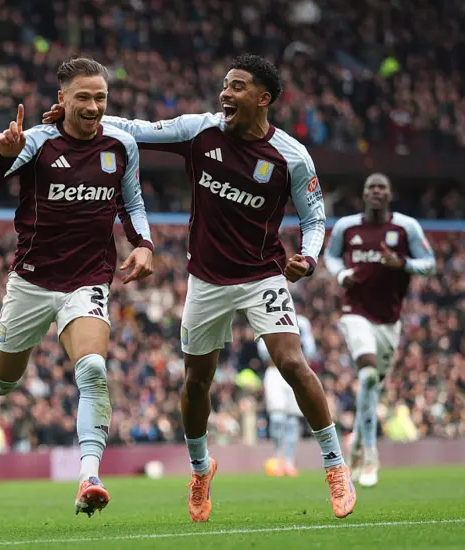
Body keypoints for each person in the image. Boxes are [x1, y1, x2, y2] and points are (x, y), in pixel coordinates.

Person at [44, 53, 356, 521]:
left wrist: (309, 257)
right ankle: (199, 469)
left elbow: (314, 219)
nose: (225, 93)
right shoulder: (199, 130)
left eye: (237, 87)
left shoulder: (291, 155)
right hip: (206, 279)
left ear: (263, 98)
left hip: (261, 275)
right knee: (196, 382)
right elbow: (138, 130)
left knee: (292, 362)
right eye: (225, 85)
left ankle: (334, 464)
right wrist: (80, 116)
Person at [0, 57, 154, 517]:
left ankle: (89, 476)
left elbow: (133, 202)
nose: (93, 106)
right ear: (62, 99)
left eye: (100, 97)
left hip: (88, 278)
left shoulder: (120, 145)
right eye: (83, 97)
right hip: (33, 280)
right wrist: (4, 154)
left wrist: (144, 244)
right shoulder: (38, 142)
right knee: (2, 381)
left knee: (93, 369)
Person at [324, 173, 435, 487]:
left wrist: (403, 264)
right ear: (363, 194)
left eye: (381, 187)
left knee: (372, 387)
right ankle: (370, 454)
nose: (376, 191)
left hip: (389, 319)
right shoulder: (347, 227)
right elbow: (330, 256)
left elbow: (429, 263)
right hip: (355, 312)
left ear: (390, 194)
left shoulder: (406, 227)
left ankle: (358, 442)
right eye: (371, 187)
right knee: (368, 374)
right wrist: (341, 275)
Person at [257, 314, 317, 477]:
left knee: (292, 420)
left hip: (295, 372)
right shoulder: (267, 317)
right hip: (275, 371)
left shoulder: (302, 322)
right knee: (277, 418)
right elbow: (263, 351)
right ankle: (278, 458)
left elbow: (311, 349)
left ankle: (290, 462)